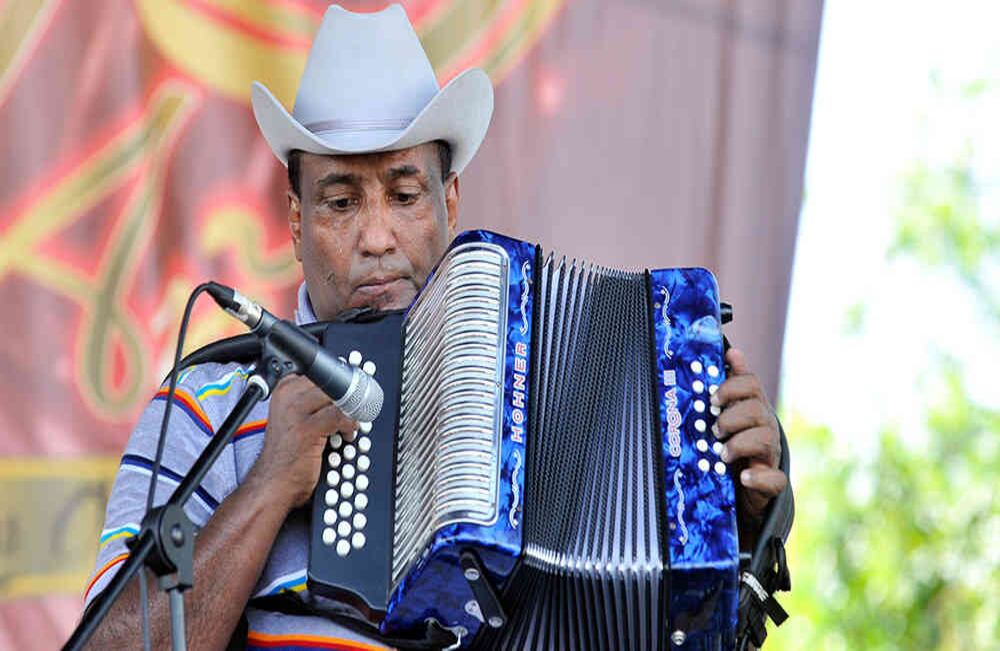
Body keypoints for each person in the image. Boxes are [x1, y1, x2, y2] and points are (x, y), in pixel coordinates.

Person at [83, 4, 789, 649]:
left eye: (403, 193)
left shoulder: (541, 384)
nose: (377, 236)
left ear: (449, 201)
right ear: (297, 223)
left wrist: (743, 525)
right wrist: (268, 483)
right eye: (340, 201)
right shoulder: (207, 403)